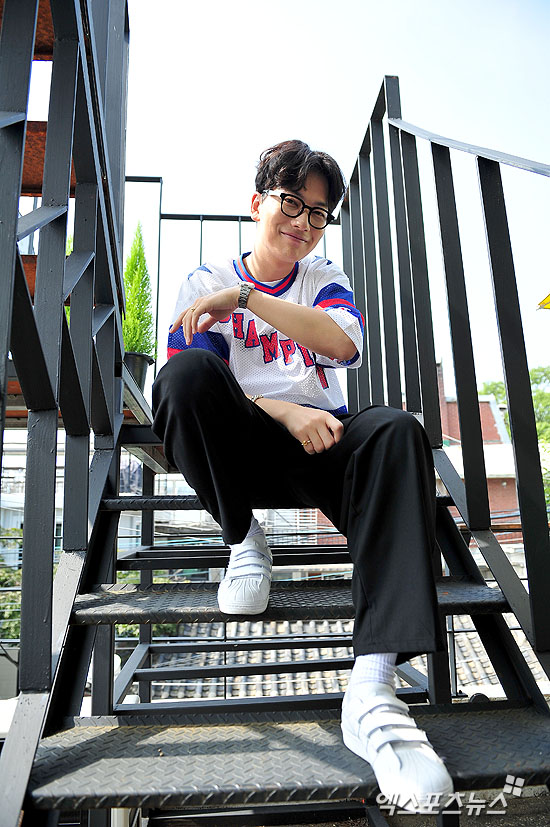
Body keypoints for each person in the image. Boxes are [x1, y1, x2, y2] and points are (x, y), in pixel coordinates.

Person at [151, 139, 454, 811]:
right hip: (244, 443)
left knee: (397, 430)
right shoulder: (203, 280)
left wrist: (247, 299)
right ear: (257, 203)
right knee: (182, 376)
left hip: (325, 441)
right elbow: (193, 382)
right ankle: (242, 539)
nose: (304, 223)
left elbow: (342, 342)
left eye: (318, 213)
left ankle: (373, 690)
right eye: (291, 202)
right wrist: (285, 410)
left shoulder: (322, 276)